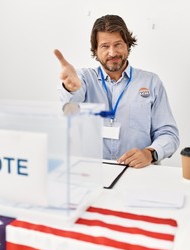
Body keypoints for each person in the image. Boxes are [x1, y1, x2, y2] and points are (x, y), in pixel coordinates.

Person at [54, 14, 179, 168]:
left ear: (127, 44)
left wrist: (150, 153)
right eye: (105, 46)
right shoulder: (83, 79)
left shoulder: (151, 82)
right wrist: (70, 89)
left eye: (118, 44)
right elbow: (69, 109)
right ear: (95, 49)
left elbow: (169, 134)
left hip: (139, 173)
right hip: (93, 173)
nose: (112, 53)